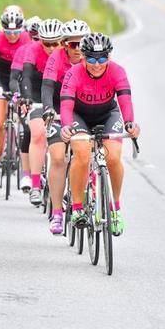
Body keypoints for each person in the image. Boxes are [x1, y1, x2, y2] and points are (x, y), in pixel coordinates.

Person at [60, 33, 140, 236]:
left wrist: (130, 122)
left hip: (107, 114)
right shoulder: (74, 74)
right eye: (92, 59)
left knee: (113, 157)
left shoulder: (117, 71)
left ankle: (115, 209)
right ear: (84, 58)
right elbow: (67, 105)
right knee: (83, 155)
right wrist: (67, 126)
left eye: (102, 58)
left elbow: (125, 100)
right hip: (80, 115)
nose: (97, 64)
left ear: (109, 58)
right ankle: (77, 208)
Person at [41, 18, 90, 234]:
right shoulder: (56, 58)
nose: (77, 49)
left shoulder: (94, 58)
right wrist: (48, 109)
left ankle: (93, 185)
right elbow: (47, 86)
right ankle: (58, 212)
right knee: (58, 156)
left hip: (86, 108)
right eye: (72, 44)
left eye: (81, 44)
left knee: (92, 151)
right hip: (61, 108)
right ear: (64, 45)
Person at [0, 7, 30, 189]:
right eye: (8, 32)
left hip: (19, 77)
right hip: (1, 77)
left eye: (16, 32)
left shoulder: (27, 39)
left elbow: (29, 66)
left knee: (25, 121)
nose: (12, 35)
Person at [21, 18, 63, 206]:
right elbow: (27, 76)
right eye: (47, 43)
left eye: (56, 43)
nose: (51, 47)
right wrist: (27, 97)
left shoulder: (67, 53)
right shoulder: (33, 49)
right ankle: (36, 185)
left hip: (63, 98)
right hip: (39, 97)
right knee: (37, 134)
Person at [8, 16, 40, 193]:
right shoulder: (24, 51)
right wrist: (19, 96)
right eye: (33, 37)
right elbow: (14, 79)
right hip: (27, 94)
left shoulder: (53, 51)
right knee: (29, 130)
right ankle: (27, 173)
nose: (37, 41)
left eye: (40, 37)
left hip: (47, 94)